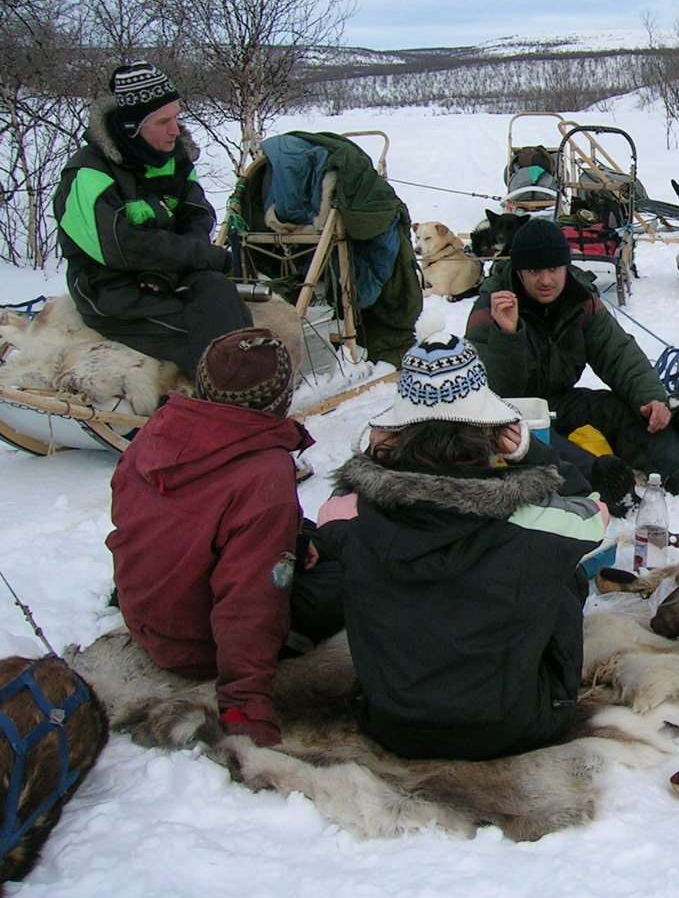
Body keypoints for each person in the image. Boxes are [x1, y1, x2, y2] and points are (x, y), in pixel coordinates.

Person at [310, 331, 607, 762]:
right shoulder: (536, 521)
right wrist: (533, 455)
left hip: (389, 724)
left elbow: (330, 509)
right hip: (517, 724)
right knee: (565, 570)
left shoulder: (350, 517)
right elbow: (594, 511)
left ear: (394, 434)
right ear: (489, 428)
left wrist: (376, 463)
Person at [107, 327, 320, 747]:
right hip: (197, 646)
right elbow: (250, 604)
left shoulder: (161, 428)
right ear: (280, 398)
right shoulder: (264, 472)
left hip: (145, 619)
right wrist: (246, 708)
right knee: (339, 580)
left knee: (301, 537)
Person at [465, 217, 679, 502]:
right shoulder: (489, 309)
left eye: (554, 268)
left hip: (560, 402)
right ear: (518, 271)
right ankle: (602, 482)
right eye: (534, 270)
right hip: (511, 421)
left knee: (622, 408)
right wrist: (507, 335)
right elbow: (493, 393)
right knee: (541, 446)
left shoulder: (579, 299)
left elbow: (617, 353)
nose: (546, 280)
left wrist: (651, 396)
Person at [53, 61, 251, 375]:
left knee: (220, 295)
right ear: (133, 128)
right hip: (110, 290)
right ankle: (219, 403)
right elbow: (121, 246)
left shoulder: (173, 157)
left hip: (168, 278)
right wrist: (205, 257)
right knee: (211, 334)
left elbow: (197, 217)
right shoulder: (88, 173)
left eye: (176, 117)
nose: (175, 130)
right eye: (162, 121)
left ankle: (236, 397)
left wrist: (169, 274)